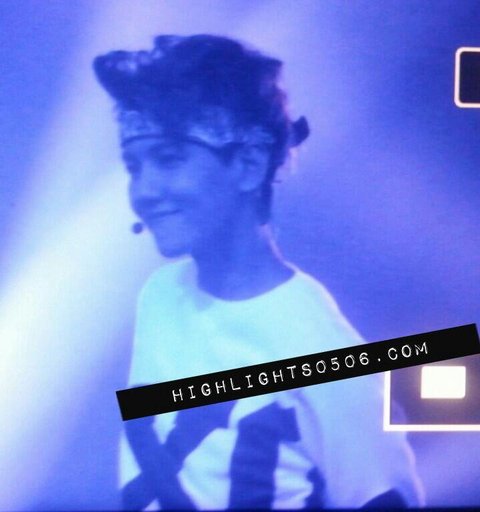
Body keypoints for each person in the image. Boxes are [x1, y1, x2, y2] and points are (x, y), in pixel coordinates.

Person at [93, 34, 424, 510]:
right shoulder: (161, 294)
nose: (143, 191)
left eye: (168, 159)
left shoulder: (322, 350)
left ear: (248, 165)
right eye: (134, 165)